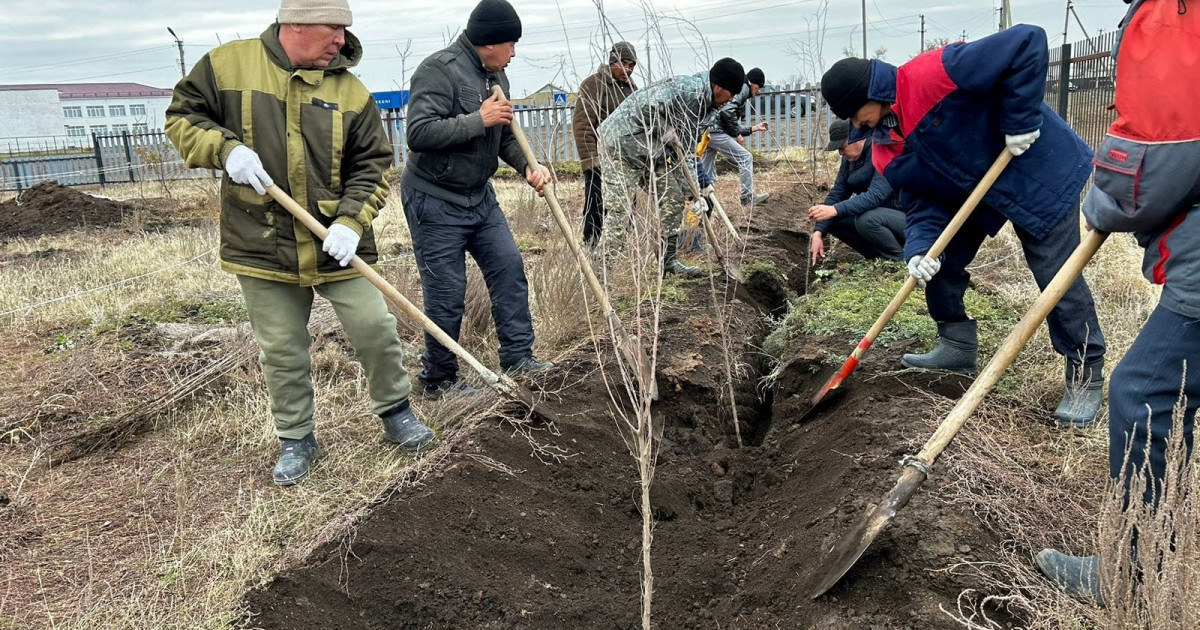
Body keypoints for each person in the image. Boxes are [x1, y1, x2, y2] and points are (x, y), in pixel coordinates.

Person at [164, 0, 434, 486]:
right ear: (297, 24)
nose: (342, 41)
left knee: (375, 327)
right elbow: (183, 120)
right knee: (283, 349)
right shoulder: (228, 65)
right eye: (334, 29)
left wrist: (352, 223)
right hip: (262, 241)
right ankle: (297, 439)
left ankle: (396, 413)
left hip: (336, 242)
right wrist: (225, 151)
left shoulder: (350, 93)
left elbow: (372, 167)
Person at [820, 25, 1107, 428]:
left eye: (854, 115)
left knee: (1054, 273)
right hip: (977, 190)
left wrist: (1021, 118)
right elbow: (920, 202)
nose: (856, 126)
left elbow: (1027, 41)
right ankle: (956, 344)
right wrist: (918, 248)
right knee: (939, 257)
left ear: (869, 95)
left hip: (1035, 167)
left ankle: (1084, 371)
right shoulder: (885, 147)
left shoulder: (931, 74)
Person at [1036, 0, 1200, 604]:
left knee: (1144, 391)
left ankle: (1134, 573)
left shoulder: (1172, 16)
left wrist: (1103, 204)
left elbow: (1157, 160)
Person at [402, 0, 553, 399]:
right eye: (511, 44)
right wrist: (477, 119)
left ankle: (519, 357)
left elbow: (504, 136)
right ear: (489, 42)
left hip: (479, 198)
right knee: (447, 294)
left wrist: (528, 167)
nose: (514, 53)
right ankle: (438, 380)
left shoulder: (495, 75)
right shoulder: (439, 70)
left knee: (509, 267)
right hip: (435, 199)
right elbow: (418, 133)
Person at [597, 58, 745, 278]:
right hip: (622, 144)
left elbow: (685, 152)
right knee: (621, 212)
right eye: (731, 94)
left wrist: (693, 192)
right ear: (718, 87)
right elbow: (645, 105)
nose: (732, 99)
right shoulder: (689, 92)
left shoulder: (709, 105)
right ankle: (600, 276)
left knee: (673, 198)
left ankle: (668, 262)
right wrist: (664, 127)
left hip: (652, 149)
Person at [808, 118, 905, 265]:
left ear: (857, 138)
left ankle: (900, 260)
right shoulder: (849, 161)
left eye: (842, 147)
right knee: (834, 220)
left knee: (866, 219)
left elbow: (875, 196)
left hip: (907, 218)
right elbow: (838, 192)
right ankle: (877, 258)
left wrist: (835, 209)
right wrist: (818, 232)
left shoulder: (883, 150)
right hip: (881, 218)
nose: (841, 153)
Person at [572, 42, 637, 247]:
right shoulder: (593, 85)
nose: (627, 70)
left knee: (625, 205)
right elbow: (583, 126)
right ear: (612, 62)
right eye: (623, 64)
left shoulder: (632, 89)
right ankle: (591, 246)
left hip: (625, 160)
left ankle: (619, 247)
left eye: (631, 65)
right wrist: (592, 161)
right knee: (597, 204)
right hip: (599, 159)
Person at [700, 67, 771, 206]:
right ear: (753, 83)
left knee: (707, 170)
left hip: (707, 131)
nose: (759, 91)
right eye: (759, 87)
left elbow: (727, 115)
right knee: (745, 157)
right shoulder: (743, 88)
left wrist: (753, 129)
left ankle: (704, 201)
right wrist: (736, 134)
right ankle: (747, 197)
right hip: (715, 132)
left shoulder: (743, 88)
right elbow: (727, 111)